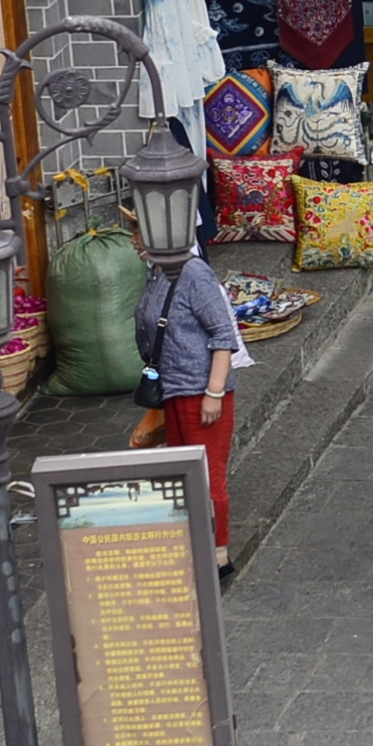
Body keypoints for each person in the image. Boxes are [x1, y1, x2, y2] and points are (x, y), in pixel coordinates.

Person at [138, 242, 249, 574]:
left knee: (208, 476)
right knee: (183, 472)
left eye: (137, 231)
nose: (133, 239)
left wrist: (214, 392)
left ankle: (219, 555)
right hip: (174, 389)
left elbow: (223, 334)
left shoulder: (195, 273)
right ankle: (194, 543)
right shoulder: (158, 271)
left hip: (199, 392)